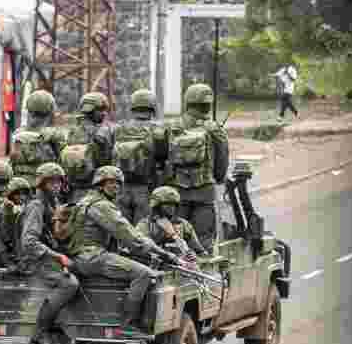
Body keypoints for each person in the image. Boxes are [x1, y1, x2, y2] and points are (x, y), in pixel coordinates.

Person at [64, 166, 180, 333]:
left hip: (83, 256)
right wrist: (165, 254)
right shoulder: (102, 206)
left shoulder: (85, 201)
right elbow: (131, 236)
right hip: (93, 257)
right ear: (100, 184)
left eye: (119, 183)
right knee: (144, 274)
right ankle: (126, 326)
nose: (116, 187)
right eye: (111, 183)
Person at [18, 162, 80, 344]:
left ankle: (64, 326)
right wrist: (57, 257)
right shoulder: (37, 206)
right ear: (42, 183)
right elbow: (29, 242)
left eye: (59, 182)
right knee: (69, 284)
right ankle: (40, 331)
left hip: (43, 257)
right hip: (34, 260)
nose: (56, 186)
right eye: (51, 182)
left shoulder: (51, 203)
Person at [163, 83, 230, 253]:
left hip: (177, 192)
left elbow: (161, 156)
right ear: (208, 104)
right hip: (204, 192)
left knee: (175, 239)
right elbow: (222, 157)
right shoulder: (214, 129)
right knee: (203, 240)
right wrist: (219, 177)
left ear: (187, 101)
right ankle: (203, 273)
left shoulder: (172, 127)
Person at [113, 88, 168, 225]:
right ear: (152, 107)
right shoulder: (158, 129)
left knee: (123, 233)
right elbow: (164, 158)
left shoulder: (120, 128)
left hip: (121, 188)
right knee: (142, 233)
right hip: (146, 188)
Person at [61, 91, 116, 203]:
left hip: (74, 190)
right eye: (100, 110)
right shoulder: (104, 132)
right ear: (90, 110)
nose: (104, 113)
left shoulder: (71, 131)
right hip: (97, 190)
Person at [10, 89, 67, 190]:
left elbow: (11, 162)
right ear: (50, 110)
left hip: (19, 187)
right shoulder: (55, 135)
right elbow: (64, 162)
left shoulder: (17, 133)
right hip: (44, 186)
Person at [137, 186, 207, 263]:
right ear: (157, 206)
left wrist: (194, 255)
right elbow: (141, 248)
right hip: (157, 265)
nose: (171, 208)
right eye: (167, 204)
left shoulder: (183, 224)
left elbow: (200, 251)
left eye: (173, 205)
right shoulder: (145, 225)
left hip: (183, 265)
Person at [0, 176, 32, 260]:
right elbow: (4, 231)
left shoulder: (27, 206)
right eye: (18, 194)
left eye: (24, 193)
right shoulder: (5, 208)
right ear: (11, 195)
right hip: (11, 247)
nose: (22, 197)